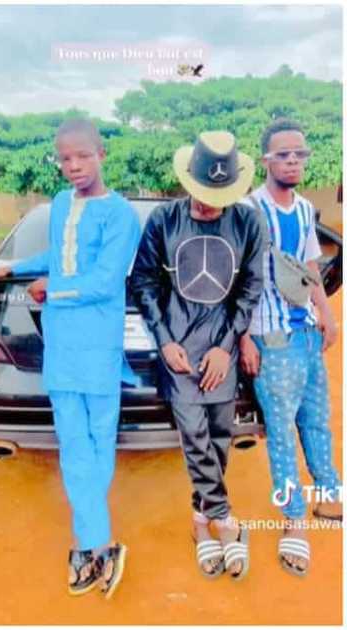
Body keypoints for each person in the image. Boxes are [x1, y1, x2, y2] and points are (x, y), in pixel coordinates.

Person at [0, 118, 138, 598]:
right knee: (72, 443)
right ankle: (98, 542)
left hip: (98, 344)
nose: (72, 167)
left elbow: (105, 280)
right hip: (62, 345)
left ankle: (89, 542)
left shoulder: (120, 214)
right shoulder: (62, 204)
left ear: (101, 154)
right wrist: (13, 266)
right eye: (64, 158)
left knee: (97, 440)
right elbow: (59, 255)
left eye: (81, 157)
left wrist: (54, 289)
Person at [130, 131, 265, 580]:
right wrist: (165, 340)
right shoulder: (164, 222)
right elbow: (144, 283)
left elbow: (250, 290)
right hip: (180, 353)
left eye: (218, 198)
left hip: (220, 351)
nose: (209, 206)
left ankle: (199, 520)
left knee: (220, 439)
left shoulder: (248, 224)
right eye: (203, 196)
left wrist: (226, 349)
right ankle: (224, 517)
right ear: (188, 182)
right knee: (194, 436)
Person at [239, 118, 343, 577]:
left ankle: (329, 496)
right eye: (283, 154)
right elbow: (235, 281)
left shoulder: (303, 209)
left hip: (304, 335)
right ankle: (293, 520)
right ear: (266, 160)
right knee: (281, 436)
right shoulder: (247, 210)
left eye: (300, 154)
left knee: (317, 423)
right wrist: (243, 336)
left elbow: (308, 266)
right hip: (270, 339)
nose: (293, 161)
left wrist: (327, 313)